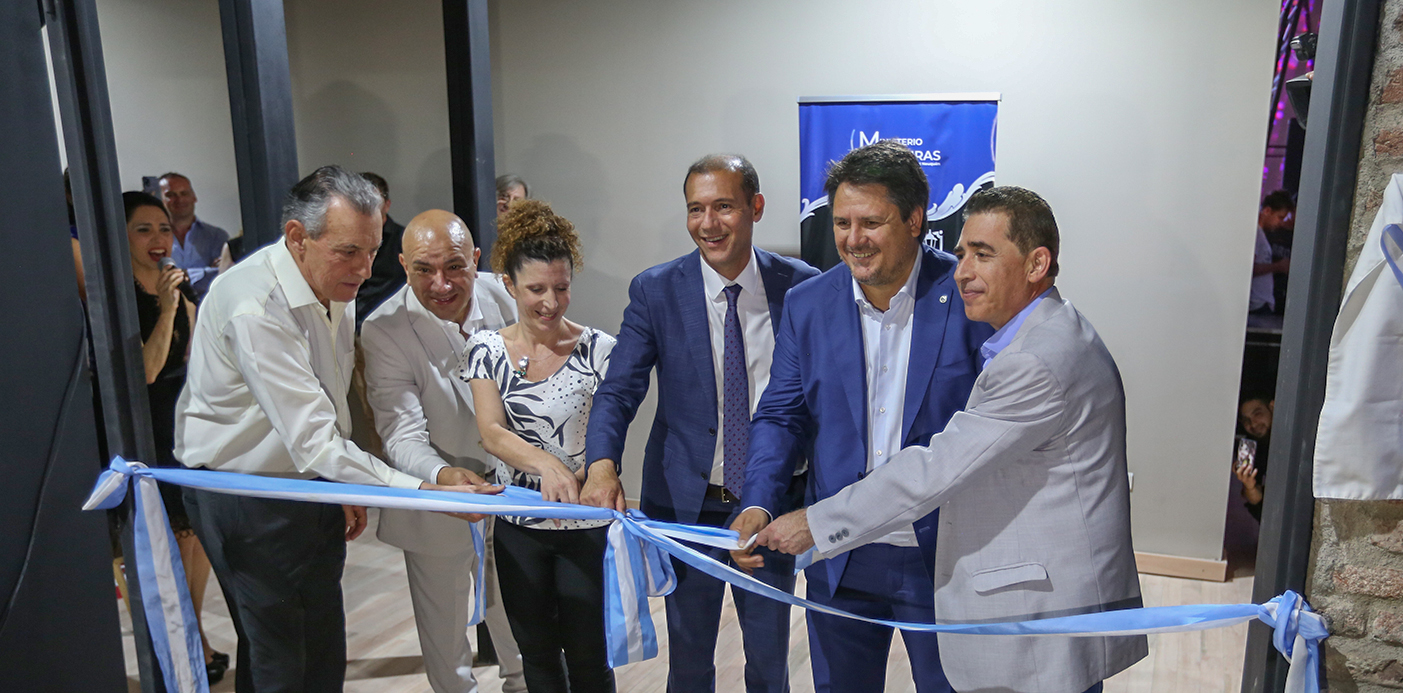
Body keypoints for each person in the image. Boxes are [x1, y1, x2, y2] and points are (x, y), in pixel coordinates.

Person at [756, 185, 1149, 693]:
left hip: (1032, 616)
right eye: (962, 253)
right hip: (1018, 604)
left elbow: (935, 468)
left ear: (1036, 264)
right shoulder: (1050, 331)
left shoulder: (1034, 360)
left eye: (983, 255)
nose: (962, 271)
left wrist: (815, 523)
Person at [175, 165, 496, 693]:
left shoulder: (334, 287)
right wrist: (425, 488)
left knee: (322, 646)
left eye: (372, 251)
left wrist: (338, 483)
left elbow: (331, 399)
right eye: (349, 251)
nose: (365, 268)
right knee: (279, 654)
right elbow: (314, 439)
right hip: (245, 494)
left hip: (308, 483)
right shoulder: (254, 307)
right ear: (298, 238)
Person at [729, 141, 991, 693]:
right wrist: (759, 499)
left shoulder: (969, 300)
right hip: (840, 555)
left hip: (945, 558)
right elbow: (782, 415)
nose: (852, 239)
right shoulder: (809, 303)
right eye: (842, 222)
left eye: (871, 222)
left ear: (916, 221)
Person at [583, 154, 818, 693]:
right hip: (685, 501)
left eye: (723, 207)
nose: (708, 223)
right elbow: (620, 389)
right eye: (696, 209)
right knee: (688, 660)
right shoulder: (656, 290)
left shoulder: (802, 288)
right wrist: (601, 465)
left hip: (772, 501)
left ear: (755, 207)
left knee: (768, 658)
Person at [361, 209, 526, 693]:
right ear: (402, 265)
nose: (440, 283)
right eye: (422, 269)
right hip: (438, 507)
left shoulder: (512, 295)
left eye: (455, 266)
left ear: (476, 259)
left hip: (518, 499)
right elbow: (400, 433)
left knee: (525, 636)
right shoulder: (382, 329)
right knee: (448, 651)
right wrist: (441, 477)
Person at [458, 199, 616, 693]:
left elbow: (612, 430)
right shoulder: (485, 349)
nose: (551, 301)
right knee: (538, 658)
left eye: (562, 287)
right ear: (508, 285)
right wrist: (547, 464)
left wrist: (598, 477)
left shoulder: (600, 349)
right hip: (519, 524)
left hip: (583, 525)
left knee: (590, 655)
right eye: (536, 290)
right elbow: (491, 431)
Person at [123, 191, 228, 683]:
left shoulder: (179, 292)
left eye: (163, 229)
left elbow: (195, 369)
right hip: (141, 428)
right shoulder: (119, 297)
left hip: (180, 427)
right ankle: (175, 647)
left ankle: (194, 633)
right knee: (161, 546)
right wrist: (165, 310)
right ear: (121, 236)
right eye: (143, 229)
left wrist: (183, 306)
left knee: (194, 541)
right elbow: (145, 371)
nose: (157, 239)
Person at [158, 172, 232, 298]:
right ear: (160, 200)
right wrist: (204, 272)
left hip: (209, 309)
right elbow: (154, 278)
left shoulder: (217, 236)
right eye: (170, 195)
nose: (179, 199)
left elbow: (224, 276)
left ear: (194, 197)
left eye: (184, 193)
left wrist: (181, 275)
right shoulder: (153, 239)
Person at [355, 172, 408, 328]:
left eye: (373, 201)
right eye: (360, 202)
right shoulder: (344, 241)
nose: (367, 207)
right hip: (350, 326)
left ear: (387, 204)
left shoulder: (404, 240)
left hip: (392, 327)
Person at [1250, 190, 1293, 315]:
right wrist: (1278, 266)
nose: (1280, 223)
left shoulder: (1261, 234)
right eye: (1279, 217)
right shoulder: (1255, 234)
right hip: (1257, 305)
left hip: (1261, 303)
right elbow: (1249, 269)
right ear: (1267, 211)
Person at [1235, 391, 1274, 521]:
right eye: (1246, 420)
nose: (1253, 424)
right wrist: (1248, 485)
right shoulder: (1254, 450)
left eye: (1257, 414)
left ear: (1272, 407)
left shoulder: (1297, 434)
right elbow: (1255, 499)